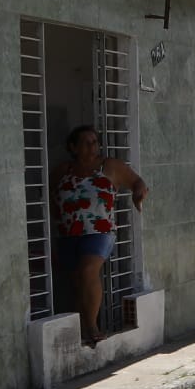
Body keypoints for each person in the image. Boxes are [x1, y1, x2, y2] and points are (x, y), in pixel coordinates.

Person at [52, 125, 148, 348]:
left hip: (100, 231)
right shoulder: (62, 171)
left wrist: (138, 194)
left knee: (89, 270)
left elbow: (137, 182)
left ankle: (93, 326)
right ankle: (83, 330)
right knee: (78, 283)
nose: (92, 147)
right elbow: (47, 196)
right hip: (68, 233)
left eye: (95, 142)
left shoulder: (110, 166)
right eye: (86, 142)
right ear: (73, 147)